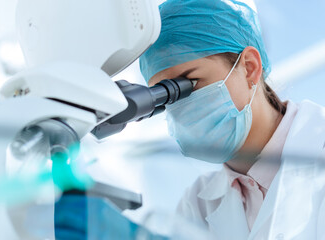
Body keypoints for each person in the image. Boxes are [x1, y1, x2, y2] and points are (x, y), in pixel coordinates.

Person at [139, 0, 325, 239]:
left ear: (249, 67)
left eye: (189, 83)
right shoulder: (195, 205)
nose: (181, 107)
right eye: (165, 96)